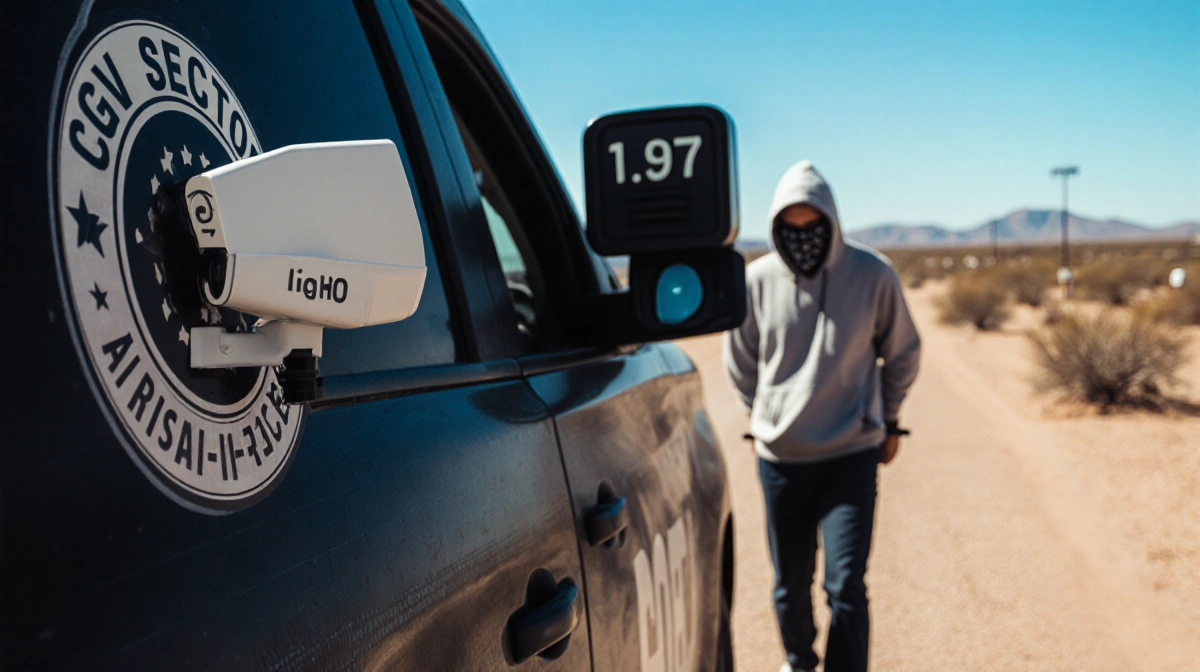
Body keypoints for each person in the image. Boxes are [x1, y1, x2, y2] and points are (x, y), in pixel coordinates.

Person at [724, 160, 921, 672]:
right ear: (774, 226)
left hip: (851, 454)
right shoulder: (757, 280)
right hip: (781, 458)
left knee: (846, 584)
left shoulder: (872, 274)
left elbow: (902, 351)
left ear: (832, 222)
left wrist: (890, 418)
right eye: (789, 227)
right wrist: (762, 415)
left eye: (813, 226)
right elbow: (741, 361)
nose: (801, 237)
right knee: (790, 585)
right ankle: (799, 663)